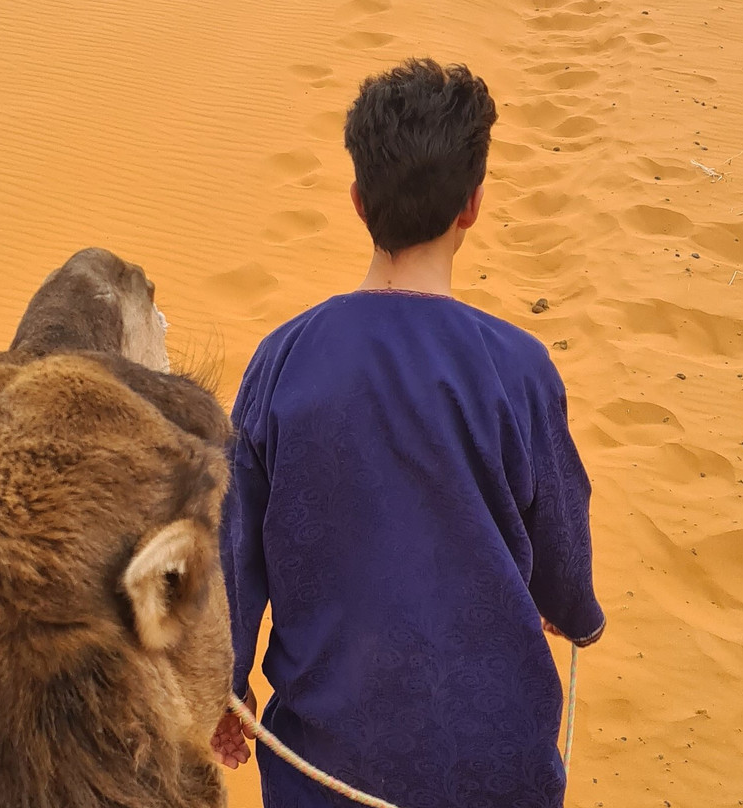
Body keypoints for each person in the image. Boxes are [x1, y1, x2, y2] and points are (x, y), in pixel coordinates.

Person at [211, 57, 606, 808]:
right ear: (474, 205)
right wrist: (577, 612)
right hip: (499, 768)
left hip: (321, 769)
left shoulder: (281, 360)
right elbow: (561, 525)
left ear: (358, 201)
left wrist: (225, 691)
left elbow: (235, 551)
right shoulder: (520, 369)